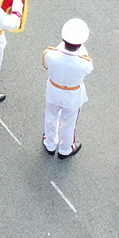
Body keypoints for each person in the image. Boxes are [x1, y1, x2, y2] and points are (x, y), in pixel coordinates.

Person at [43, 18, 93, 157]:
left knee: (51, 117)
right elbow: (87, 69)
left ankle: (50, 143)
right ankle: (65, 149)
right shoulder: (85, 62)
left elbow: (48, 62)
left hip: (53, 90)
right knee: (69, 122)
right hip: (72, 95)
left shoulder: (50, 54)